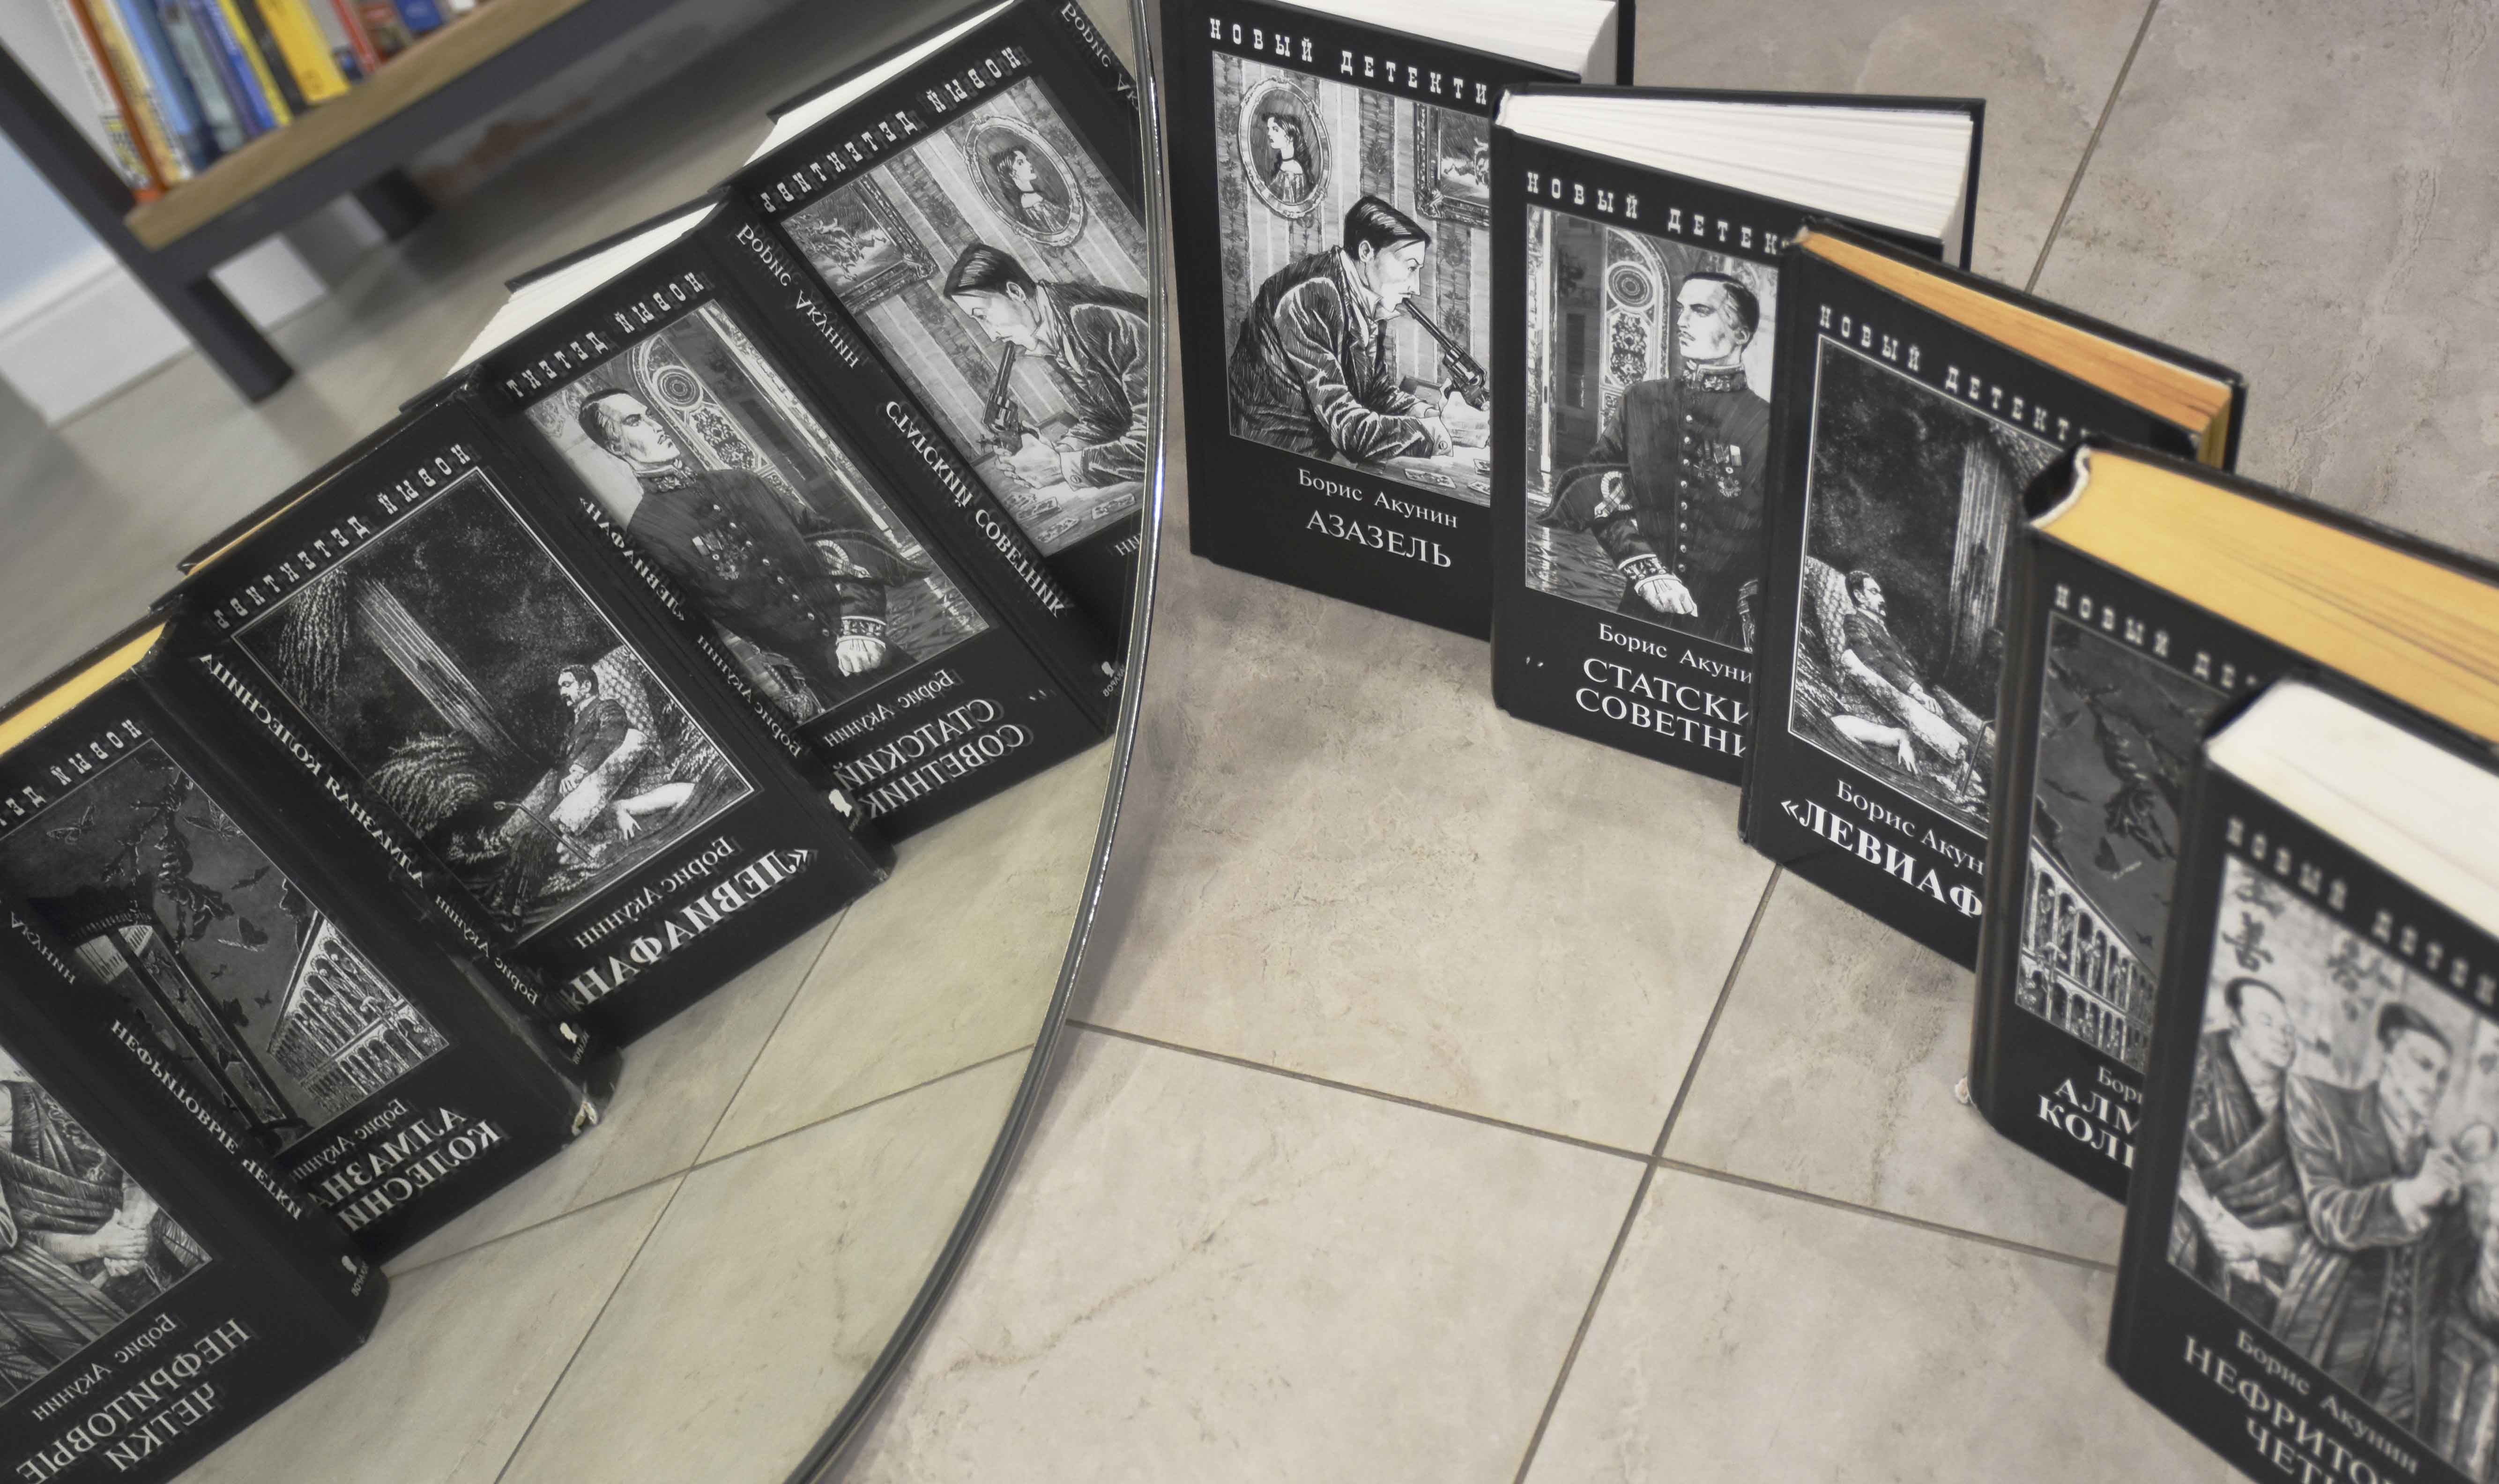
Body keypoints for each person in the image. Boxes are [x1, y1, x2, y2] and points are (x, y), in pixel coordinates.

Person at [577, 388, 925, 712]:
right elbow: (695, 633)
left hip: (873, 650)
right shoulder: (648, 534)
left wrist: (861, 626)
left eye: (650, 414)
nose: (656, 426)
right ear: (615, 446)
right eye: (635, 421)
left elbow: (838, 542)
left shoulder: (742, 482)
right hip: (820, 686)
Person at [2273, 1003, 2499, 1432]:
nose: (2433, 1084)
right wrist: (2410, 1194)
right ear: (2387, 1056)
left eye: (2442, 1076)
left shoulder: (2445, 1171)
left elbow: (2471, 1297)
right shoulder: (2321, 1105)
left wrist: (2495, 1237)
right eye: (2423, 1064)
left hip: (2406, 1382)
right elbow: (2328, 1215)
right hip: (2327, 1341)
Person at [1540, 272, 1770, 647]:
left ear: (1741, 334)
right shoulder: (1641, 400)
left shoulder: (1767, 425)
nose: (1682, 321)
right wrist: (1644, 568)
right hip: (1639, 613)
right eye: (1681, 309)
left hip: (1722, 631)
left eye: (1700, 311)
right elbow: (1593, 487)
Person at [1227, 195, 1488, 465]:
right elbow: (1350, 432)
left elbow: (1376, 392)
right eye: (1411, 267)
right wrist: (1440, 434)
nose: (1416, 287)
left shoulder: (1367, 295)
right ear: (1366, 252)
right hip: (1273, 458)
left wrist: (1432, 415)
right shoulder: (1312, 298)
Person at [944, 245, 1151, 493]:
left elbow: (1159, 437)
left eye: (982, 315)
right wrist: (1056, 453)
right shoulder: (1056, 326)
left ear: (1015, 292)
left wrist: (1062, 467)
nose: (991, 335)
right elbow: (1106, 417)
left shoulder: (1093, 320)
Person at [2170, 976, 2306, 1323]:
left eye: (2288, 1029)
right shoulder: (2195, 1063)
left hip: (2265, 1264)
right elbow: (2170, 1151)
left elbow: (2311, 1217)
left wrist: (2254, 1243)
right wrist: (2215, 1221)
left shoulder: (2305, 1112)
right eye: (2267, 1022)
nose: (2282, 1036)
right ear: (2234, 1020)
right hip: (2194, 1233)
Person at [1826, 570, 1990, 801]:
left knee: (1974, 761)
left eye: (1880, 592)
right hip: (1896, 700)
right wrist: (1915, 691)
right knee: (1959, 766)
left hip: (1920, 697)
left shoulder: (1883, 629)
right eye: (1874, 592)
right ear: (1859, 596)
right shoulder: (1855, 623)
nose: (1882, 599)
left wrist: (1929, 692)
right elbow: (1875, 661)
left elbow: (1909, 665)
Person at [993, 146, 1069, 235]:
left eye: (1027, 160)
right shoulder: (1030, 206)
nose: (1029, 164)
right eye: (1021, 163)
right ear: (1012, 174)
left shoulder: (1040, 194)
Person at [1261, 113, 1310, 204]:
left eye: (1275, 129)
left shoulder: (1293, 171)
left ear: (1290, 137)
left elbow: (1286, 205)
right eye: (1269, 129)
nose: (1269, 134)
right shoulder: (1284, 164)